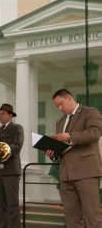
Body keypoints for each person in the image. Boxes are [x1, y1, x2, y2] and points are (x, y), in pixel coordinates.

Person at [45, 89, 102, 228]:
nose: (60, 108)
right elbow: (63, 148)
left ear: (70, 98)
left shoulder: (90, 112)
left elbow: (95, 133)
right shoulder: (60, 122)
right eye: (57, 106)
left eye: (61, 104)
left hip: (86, 172)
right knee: (71, 219)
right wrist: (53, 152)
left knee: (92, 217)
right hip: (65, 175)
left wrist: (70, 136)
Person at [0, 103, 24, 228]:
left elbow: (17, 146)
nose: (0, 116)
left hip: (11, 171)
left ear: (10, 115)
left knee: (12, 204)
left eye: (3, 113)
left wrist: (0, 151)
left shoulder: (17, 128)